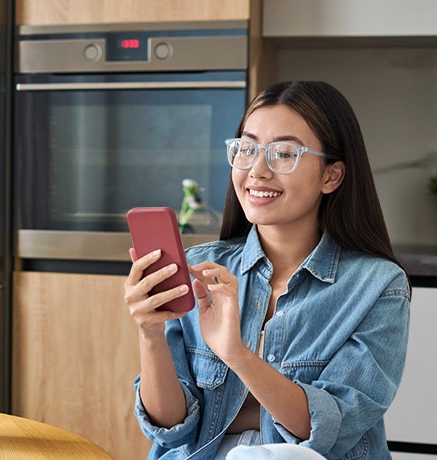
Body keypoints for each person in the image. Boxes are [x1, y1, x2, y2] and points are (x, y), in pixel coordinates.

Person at [124, 81, 410, 460]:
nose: (257, 170)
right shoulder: (200, 271)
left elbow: (330, 430)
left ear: (332, 176)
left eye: (284, 153)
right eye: (247, 149)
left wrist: (236, 354)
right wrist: (151, 334)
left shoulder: (378, 287)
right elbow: (172, 430)